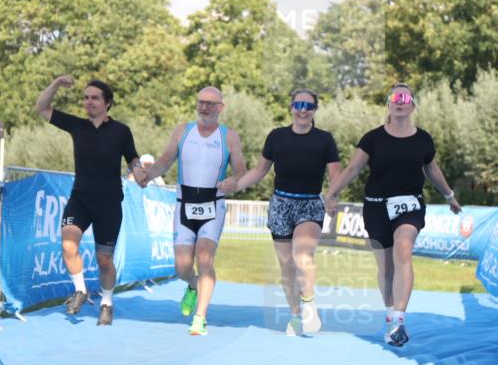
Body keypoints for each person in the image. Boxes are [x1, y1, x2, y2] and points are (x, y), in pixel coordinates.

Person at [323, 83, 461, 347]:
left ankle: (399, 318)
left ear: (412, 105)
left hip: (409, 205)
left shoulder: (423, 139)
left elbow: (431, 169)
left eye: (405, 97)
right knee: (385, 268)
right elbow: (352, 169)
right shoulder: (372, 138)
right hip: (376, 207)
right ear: (388, 104)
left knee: (404, 249)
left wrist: (449, 196)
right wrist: (331, 194)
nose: (400, 101)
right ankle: (390, 315)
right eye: (395, 97)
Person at [218, 88, 340, 336]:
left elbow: (335, 174)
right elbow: (260, 170)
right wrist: (235, 185)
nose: (302, 110)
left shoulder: (325, 139)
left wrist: (332, 196)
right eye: (298, 104)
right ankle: (295, 315)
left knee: (302, 256)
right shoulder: (276, 136)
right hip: (281, 205)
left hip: (309, 205)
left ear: (314, 110)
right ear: (291, 108)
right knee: (286, 266)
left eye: (308, 105)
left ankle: (309, 306)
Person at [36, 75, 143, 326]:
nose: (89, 102)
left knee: (104, 259)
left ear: (108, 103)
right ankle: (81, 290)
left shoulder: (121, 131)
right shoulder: (77, 126)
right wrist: (55, 84)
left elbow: (133, 159)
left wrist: (139, 173)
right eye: (85, 97)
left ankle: (106, 302)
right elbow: (41, 107)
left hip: (108, 204)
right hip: (80, 199)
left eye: (95, 98)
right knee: (68, 246)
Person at [139, 87, 246, 336]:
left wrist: (233, 181)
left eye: (211, 103)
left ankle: (200, 317)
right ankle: (193, 286)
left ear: (221, 107)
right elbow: (165, 160)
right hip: (184, 204)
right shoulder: (182, 131)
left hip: (213, 204)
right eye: (201, 102)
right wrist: (149, 175)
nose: (205, 107)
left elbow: (241, 170)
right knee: (182, 267)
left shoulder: (229, 136)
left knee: (205, 258)